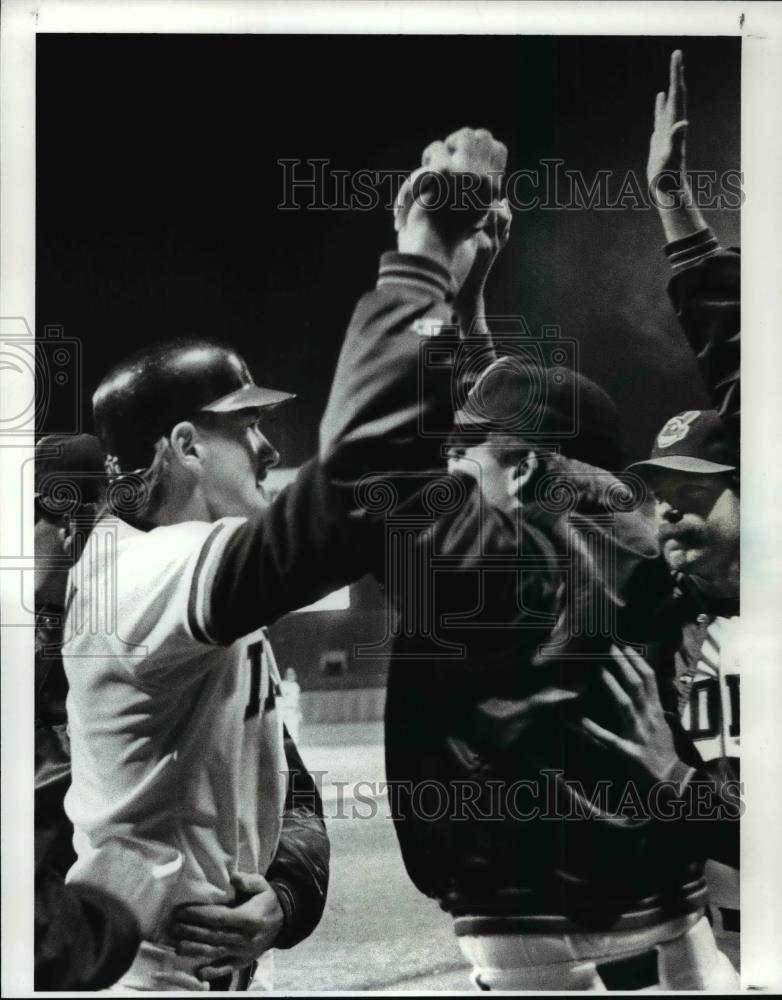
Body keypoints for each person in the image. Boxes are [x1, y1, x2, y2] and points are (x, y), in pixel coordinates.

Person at [61, 125, 508, 990]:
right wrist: (421, 252)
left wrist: (287, 894)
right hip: (149, 979)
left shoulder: (196, 581)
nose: (269, 449)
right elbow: (352, 495)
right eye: (247, 426)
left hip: (218, 968)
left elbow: (294, 794)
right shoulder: (134, 577)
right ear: (186, 445)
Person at [374, 175, 740, 986]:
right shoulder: (638, 545)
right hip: (660, 875)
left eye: (467, 452)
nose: (451, 464)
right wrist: (471, 302)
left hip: (525, 897)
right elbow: (501, 420)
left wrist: (426, 266)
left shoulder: (489, 555)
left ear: (532, 466)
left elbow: (406, 421)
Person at [279, 668, 303, 744]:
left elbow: (297, 701)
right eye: (289, 674)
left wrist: (299, 713)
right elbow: (279, 700)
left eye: (292, 674)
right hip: (284, 711)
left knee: (294, 732)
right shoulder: (282, 685)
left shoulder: (296, 686)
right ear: (286, 675)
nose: (291, 676)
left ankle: (293, 750)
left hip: (293, 712)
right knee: (284, 732)